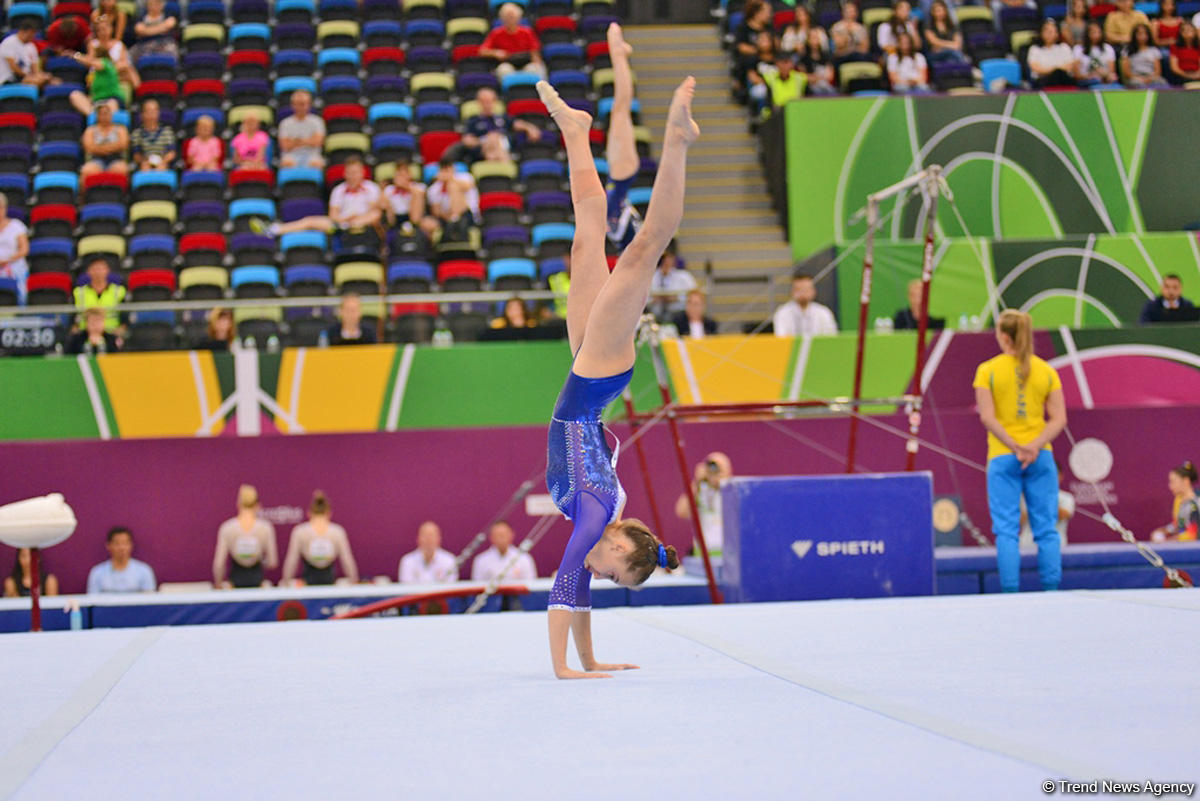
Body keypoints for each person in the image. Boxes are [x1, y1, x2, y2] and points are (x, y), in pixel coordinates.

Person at [536, 74, 694, 679]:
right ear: (623, 547)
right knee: (644, 247)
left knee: (585, 240)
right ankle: (677, 141)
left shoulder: (598, 517)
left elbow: (577, 593)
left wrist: (591, 661)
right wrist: (564, 671)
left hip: (587, 376)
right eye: (613, 571)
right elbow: (566, 585)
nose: (600, 574)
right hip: (598, 380)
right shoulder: (599, 519)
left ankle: (576, 131)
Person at [973, 309, 1067, 593]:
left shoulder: (987, 370)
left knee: (1006, 530)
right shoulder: (1046, 371)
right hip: (1040, 457)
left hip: (1003, 455)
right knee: (1047, 529)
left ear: (1003, 336)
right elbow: (1060, 418)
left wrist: (1015, 446)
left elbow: (987, 417)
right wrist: (1034, 446)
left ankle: (1010, 592)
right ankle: (1051, 590)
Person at [255, 157, 382, 239]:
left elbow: (374, 212)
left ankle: (354, 225)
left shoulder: (372, 188)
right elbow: (333, 215)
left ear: (362, 173)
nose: (352, 176)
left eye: (355, 172)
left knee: (375, 214)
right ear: (345, 174)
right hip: (341, 224)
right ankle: (274, 229)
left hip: (364, 223)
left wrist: (357, 219)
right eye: (349, 172)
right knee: (309, 221)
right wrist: (345, 219)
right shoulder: (338, 190)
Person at [602, 24, 644, 253]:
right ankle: (619, 56)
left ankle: (619, 55)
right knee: (621, 109)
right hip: (621, 176)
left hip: (619, 176)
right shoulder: (622, 239)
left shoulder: (614, 232)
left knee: (621, 109)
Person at [281, 491, 359, 586]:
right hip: (329, 580)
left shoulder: (300, 531)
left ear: (309, 513)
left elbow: (292, 560)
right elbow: (346, 560)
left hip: (309, 581)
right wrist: (354, 580)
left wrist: (286, 582)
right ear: (329, 513)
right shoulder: (337, 531)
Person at [213, 484, 279, 589]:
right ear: (258, 506)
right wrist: (258, 559)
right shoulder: (265, 528)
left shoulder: (228, 528)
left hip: (234, 584)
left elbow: (219, 564)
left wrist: (218, 584)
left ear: (238, 504)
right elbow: (272, 562)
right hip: (258, 583)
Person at [458, 87, 542, 164]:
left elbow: (518, 124)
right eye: (484, 101)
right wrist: (486, 140)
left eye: (490, 101)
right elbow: (467, 140)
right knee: (493, 139)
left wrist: (530, 128)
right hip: (483, 148)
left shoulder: (502, 118)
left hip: (503, 144)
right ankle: (503, 166)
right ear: (479, 102)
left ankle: (496, 167)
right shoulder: (474, 120)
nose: (487, 104)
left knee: (497, 139)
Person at [674, 452, 733, 555]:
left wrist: (725, 483)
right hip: (703, 554)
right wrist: (697, 482)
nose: (714, 471)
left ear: (729, 470)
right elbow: (681, 512)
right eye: (711, 466)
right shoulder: (700, 491)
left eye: (719, 468)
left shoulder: (733, 492)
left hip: (728, 552)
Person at [420, 155, 480, 244]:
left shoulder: (466, 177)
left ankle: (455, 221)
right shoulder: (434, 188)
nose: (445, 173)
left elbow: (467, 186)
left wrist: (450, 180)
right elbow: (436, 212)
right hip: (445, 218)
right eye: (443, 170)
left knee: (453, 187)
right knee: (426, 223)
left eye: (448, 169)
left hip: (466, 216)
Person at [480, 3, 546, 79]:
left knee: (536, 69)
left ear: (518, 18)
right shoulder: (496, 33)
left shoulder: (527, 32)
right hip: (506, 63)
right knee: (504, 69)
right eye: (506, 17)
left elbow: (534, 52)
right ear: (502, 19)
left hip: (526, 62)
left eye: (512, 17)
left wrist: (537, 63)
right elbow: (483, 51)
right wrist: (496, 53)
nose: (509, 20)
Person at [86, 527, 157, 593]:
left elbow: (149, 600)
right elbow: (92, 601)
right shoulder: (97, 572)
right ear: (108, 546)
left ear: (131, 545)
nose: (121, 548)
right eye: (117, 543)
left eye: (125, 543)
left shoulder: (144, 571)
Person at [380, 159, 428, 254]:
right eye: (399, 174)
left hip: (413, 218)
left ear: (409, 175)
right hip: (395, 219)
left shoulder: (418, 187)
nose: (401, 178)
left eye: (404, 174)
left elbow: (420, 196)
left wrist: (406, 187)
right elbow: (383, 206)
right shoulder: (389, 190)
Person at [1019, 466, 1074, 547]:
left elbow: (1063, 515)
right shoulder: (1024, 497)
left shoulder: (1066, 498)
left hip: (1055, 546)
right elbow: (1017, 521)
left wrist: (1044, 498)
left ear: (1060, 476)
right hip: (1027, 546)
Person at [772, 274, 837, 336]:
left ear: (813, 291)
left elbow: (831, 336)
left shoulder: (823, 312)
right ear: (792, 292)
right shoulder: (782, 313)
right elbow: (780, 338)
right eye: (799, 290)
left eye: (806, 289)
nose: (803, 293)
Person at [74, 258, 126, 332]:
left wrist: (121, 329)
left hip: (111, 332)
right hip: (85, 333)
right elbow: (73, 316)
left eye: (101, 269)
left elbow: (125, 316)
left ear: (107, 271)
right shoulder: (78, 292)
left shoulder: (119, 291)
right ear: (88, 272)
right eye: (94, 269)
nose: (98, 272)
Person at [1150, 461, 1199, 541]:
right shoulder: (1178, 500)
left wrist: (1168, 541)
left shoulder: (1196, 503)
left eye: (1173, 481)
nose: (1170, 486)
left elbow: (1192, 534)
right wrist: (1165, 530)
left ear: (1186, 481)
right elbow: (1180, 524)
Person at [278, 90, 326, 169]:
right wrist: (308, 140)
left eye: (302, 104)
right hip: (290, 155)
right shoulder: (285, 123)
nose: (299, 107)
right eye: (296, 104)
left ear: (309, 105)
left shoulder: (317, 121)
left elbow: (318, 142)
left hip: (312, 155)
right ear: (292, 105)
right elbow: (285, 146)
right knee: (286, 163)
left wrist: (296, 141)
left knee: (316, 163)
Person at [80, 102, 130, 178]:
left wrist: (100, 148)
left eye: (106, 113)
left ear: (111, 114)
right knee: (86, 171)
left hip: (116, 159)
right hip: (96, 160)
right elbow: (90, 147)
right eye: (102, 114)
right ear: (97, 116)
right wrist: (112, 147)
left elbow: (123, 145)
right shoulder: (90, 130)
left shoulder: (120, 129)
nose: (104, 116)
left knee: (122, 170)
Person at [648, 244, 697, 318]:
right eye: (664, 258)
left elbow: (695, 295)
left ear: (674, 259)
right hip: (654, 314)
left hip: (679, 315)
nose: (666, 261)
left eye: (669, 258)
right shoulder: (649, 277)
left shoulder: (684, 276)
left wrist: (677, 298)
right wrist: (653, 300)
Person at [1028, 19, 1079, 88]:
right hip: (1043, 80)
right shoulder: (1035, 49)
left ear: (1057, 33)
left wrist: (1057, 70)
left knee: (1062, 76)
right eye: (1047, 32)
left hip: (1063, 79)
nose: (1050, 34)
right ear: (1041, 33)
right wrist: (1054, 70)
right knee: (1055, 75)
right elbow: (1036, 68)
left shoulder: (1064, 47)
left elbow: (1070, 66)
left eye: (1052, 32)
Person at [0, 21, 53, 87]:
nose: (32, 37)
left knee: (53, 81)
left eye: (33, 34)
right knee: (39, 82)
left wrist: (39, 75)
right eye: (30, 34)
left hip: (25, 76)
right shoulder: (8, 43)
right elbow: (13, 67)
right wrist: (29, 76)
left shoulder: (31, 46)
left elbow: (35, 67)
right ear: (22, 31)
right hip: (9, 79)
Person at [130, 98, 176, 172]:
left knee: (161, 169)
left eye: (154, 111)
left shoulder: (167, 131)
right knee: (145, 169)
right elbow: (136, 155)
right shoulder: (137, 133)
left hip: (162, 161)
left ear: (158, 113)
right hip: (146, 161)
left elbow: (171, 153)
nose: (151, 114)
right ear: (142, 114)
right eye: (148, 111)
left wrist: (163, 161)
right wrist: (144, 161)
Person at [0, 195, 30, 305]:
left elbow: (24, 249)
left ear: (5, 208)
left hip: (14, 265)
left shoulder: (16, 225)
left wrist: (8, 260)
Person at [1074, 22, 1119, 86]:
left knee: (1114, 81)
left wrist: (1104, 75)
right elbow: (1076, 74)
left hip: (1104, 78)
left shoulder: (1108, 48)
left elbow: (1111, 71)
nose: (1096, 35)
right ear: (1087, 34)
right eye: (1093, 32)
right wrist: (1089, 76)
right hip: (1086, 80)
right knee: (1096, 81)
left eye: (1099, 32)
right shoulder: (1078, 49)